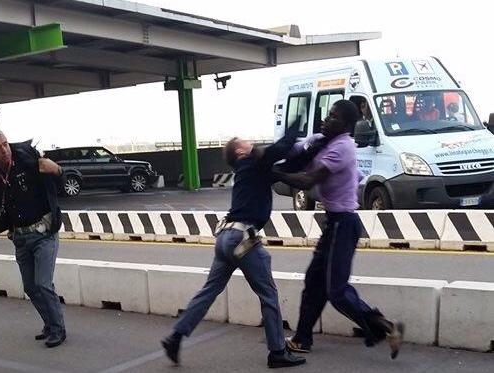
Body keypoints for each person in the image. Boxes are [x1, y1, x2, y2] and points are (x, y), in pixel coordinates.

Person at [161, 123, 306, 369]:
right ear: (240, 152)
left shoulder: (249, 169)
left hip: (225, 237)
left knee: (208, 291)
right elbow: (280, 148)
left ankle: (175, 337)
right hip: (243, 240)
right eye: (245, 142)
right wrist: (297, 122)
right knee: (268, 294)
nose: (251, 143)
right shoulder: (252, 163)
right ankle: (278, 352)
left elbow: (288, 167)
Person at [272, 100, 405, 359]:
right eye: (328, 114)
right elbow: (294, 151)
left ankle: (386, 327)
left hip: (344, 224)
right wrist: (262, 154)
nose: (326, 118)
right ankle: (301, 339)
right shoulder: (321, 140)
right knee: (314, 283)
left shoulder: (343, 148)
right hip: (333, 223)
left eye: (332, 116)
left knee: (337, 290)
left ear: (344, 125)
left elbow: (309, 179)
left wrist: (275, 174)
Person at [0, 129, 67, 348]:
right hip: (20, 237)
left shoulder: (27, 158)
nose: (4, 150)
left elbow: (59, 187)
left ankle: (58, 329)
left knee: (42, 284)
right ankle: (49, 324)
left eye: (5, 144)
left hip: (44, 234)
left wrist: (58, 170)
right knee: (30, 287)